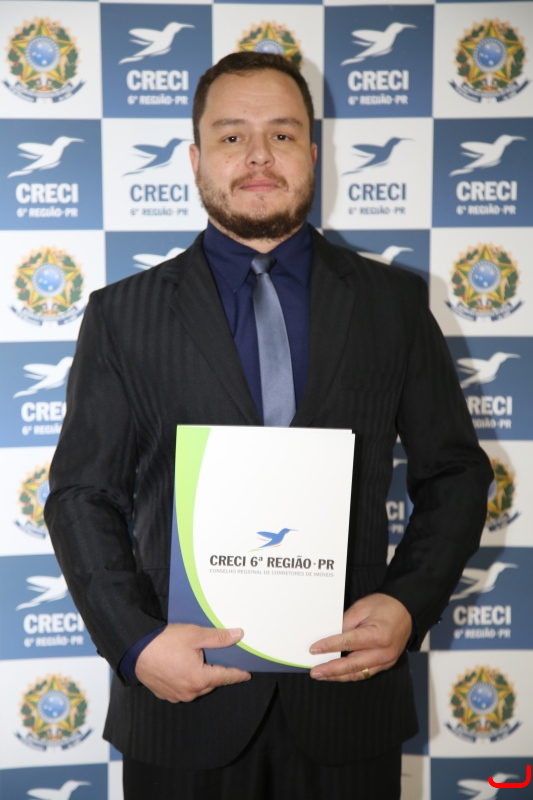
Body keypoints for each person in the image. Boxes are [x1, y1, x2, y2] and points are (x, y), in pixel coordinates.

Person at [45, 52, 493, 799]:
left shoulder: (393, 304)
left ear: (312, 154)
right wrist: (136, 644)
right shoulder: (121, 315)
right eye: (231, 136)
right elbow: (80, 496)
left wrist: (406, 605)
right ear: (196, 160)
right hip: (181, 702)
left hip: (346, 696)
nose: (258, 155)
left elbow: (455, 474)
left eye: (281, 135)